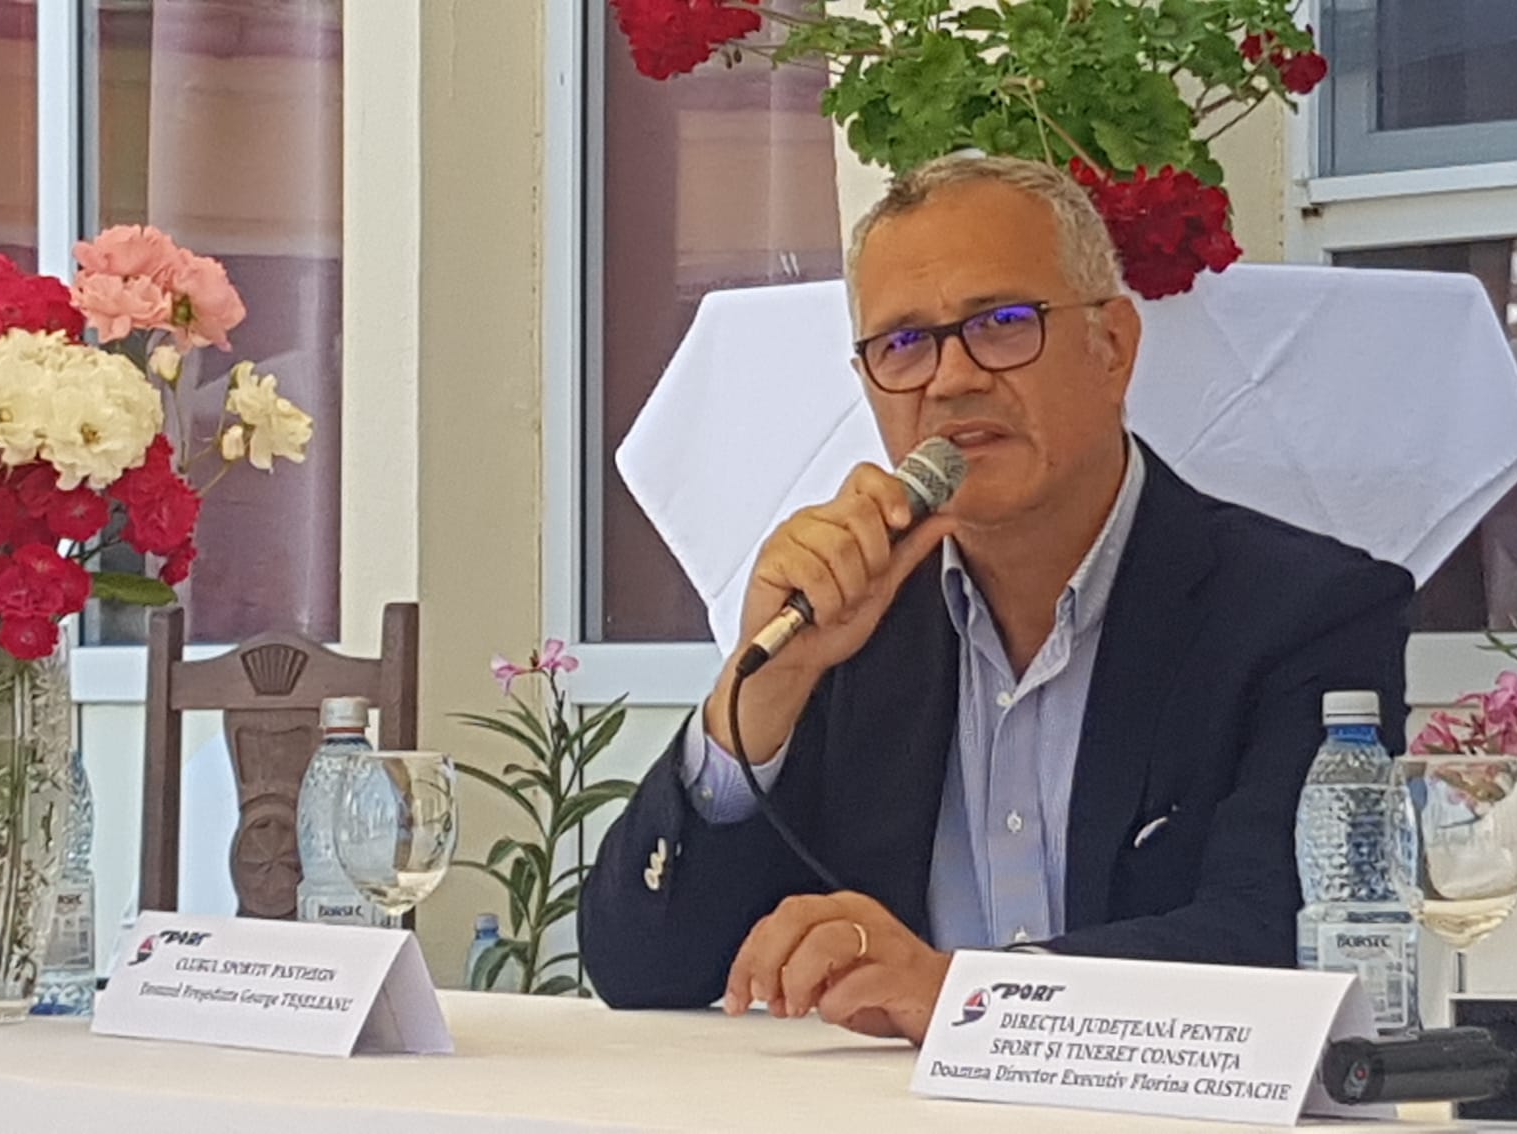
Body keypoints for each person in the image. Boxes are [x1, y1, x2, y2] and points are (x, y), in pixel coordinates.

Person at [580, 154, 1412, 1044]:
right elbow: (642, 966)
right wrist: (766, 692)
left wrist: (965, 994)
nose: (950, 379)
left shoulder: (1303, 613)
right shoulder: (855, 617)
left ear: (1114, 347)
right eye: (904, 344)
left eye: (1003, 323)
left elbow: (1290, 940)